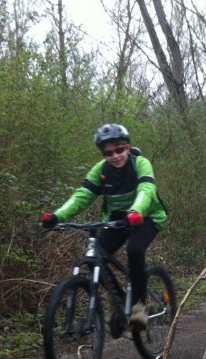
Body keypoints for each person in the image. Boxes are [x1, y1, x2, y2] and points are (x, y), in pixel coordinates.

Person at [40, 123, 168, 338]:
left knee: (135, 251)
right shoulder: (101, 170)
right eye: (108, 152)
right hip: (117, 219)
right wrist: (57, 216)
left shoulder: (141, 164)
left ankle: (139, 309)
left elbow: (147, 190)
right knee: (96, 256)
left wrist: (136, 210)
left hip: (145, 217)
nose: (115, 155)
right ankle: (119, 303)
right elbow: (82, 196)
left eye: (119, 149)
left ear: (127, 147)